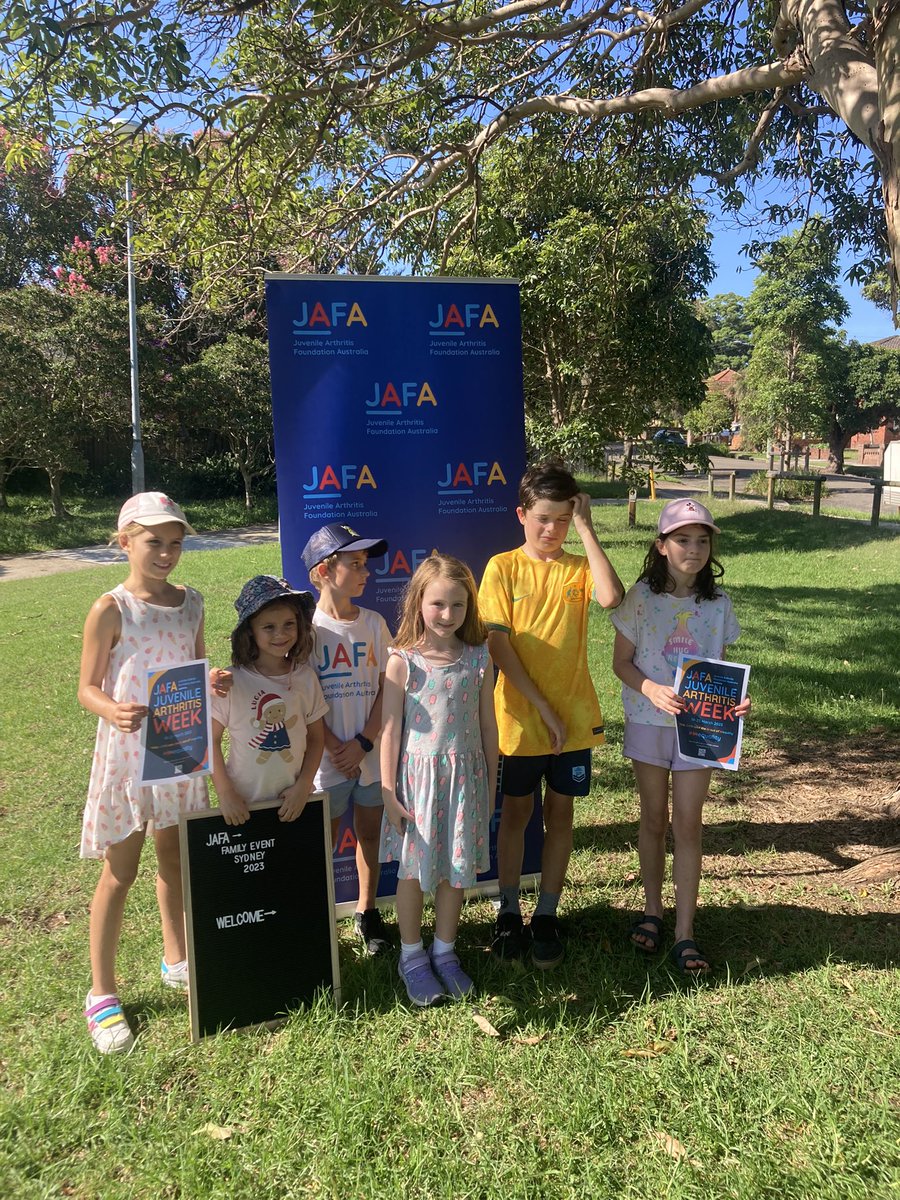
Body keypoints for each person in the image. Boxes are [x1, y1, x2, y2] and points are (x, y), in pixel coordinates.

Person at [78, 492, 227, 1054]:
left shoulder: (193, 603)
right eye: (153, 542)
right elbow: (86, 686)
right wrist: (110, 708)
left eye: (175, 543)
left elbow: (194, 660)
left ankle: (176, 957)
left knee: (175, 859)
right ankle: (102, 993)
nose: (166, 553)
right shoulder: (110, 609)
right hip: (127, 759)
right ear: (125, 542)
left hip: (178, 748)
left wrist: (212, 681)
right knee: (120, 871)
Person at [479, 462, 624, 968]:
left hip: (576, 720)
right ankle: (508, 910)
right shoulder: (502, 567)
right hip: (520, 721)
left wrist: (586, 528)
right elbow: (497, 644)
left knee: (561, 816)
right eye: (542, 518)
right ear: (521, 514)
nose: (550, 529)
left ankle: (546, 914)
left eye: (562, 520)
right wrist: (541, 705)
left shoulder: (580, 566)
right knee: (516, 816)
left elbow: (611, 598)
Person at [611, 498, 751, 976]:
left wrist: (735, 703)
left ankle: (684, 932)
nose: (693, 548)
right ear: (661, 546)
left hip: (701, 731)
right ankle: (652, 911)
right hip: (648, 724)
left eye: (702, 540)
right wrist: (650, 687)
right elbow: (621, 663)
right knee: (653, 818)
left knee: (688, 824)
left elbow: (723, 673)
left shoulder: (718, 605)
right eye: (682, 539)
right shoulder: (639, 598)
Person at [379, 554, 499, 1006]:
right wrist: (388, 790)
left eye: (458, 606)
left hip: (465, 780)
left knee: (456, 871)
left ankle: (445, 951)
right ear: (418, 602)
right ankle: (412, 955)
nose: (447, 615)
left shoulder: (479, 658)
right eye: (437, 604)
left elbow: (489, 726)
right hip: (417, 783)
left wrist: (489, 783)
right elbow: (389, 729)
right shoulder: (402, 662)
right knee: (412, 873)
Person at [301, 522, 393, 956]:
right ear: (323, 571)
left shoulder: (374, 624)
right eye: (355, 564)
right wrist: (336, 746)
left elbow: (387, 690)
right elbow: (301, 696)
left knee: (369, 834)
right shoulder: (305, 631)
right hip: (326, 762)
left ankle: (367, 910)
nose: (366, 572)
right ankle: (315, 920)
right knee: (322, 840)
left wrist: (364, 743)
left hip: (368, 757)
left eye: (365, 564)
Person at [210, 575, 328, 828]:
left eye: (289, 624)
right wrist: (225, 793)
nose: (280, 634)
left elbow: (317, 738)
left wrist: (304, 784)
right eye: (269, 627)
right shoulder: (232, 681)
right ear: (249, 630)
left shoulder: (306, 678)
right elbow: (210, 741)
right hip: (243, 805)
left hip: (294, 801)